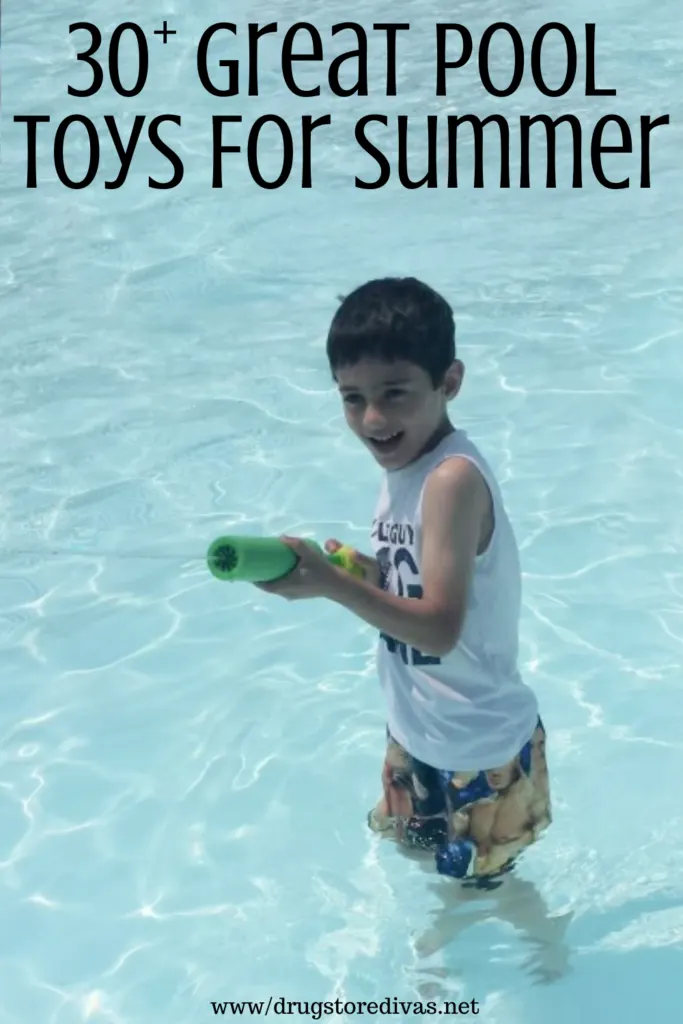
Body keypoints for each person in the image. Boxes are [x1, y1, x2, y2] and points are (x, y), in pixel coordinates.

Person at [256, 277, 551, 881]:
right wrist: (362, 571)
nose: (372, 418)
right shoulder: (406, 465)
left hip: (476, 747)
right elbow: (418, 586)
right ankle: (434, 965)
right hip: (419, 730)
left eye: (394, 393)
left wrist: (334, 587)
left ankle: (544, 955)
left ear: (449, 382)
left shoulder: (450, 479)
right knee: (417, 863)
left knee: (484, 889)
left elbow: (440, 630)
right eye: (351, 398)